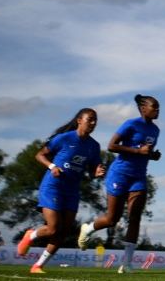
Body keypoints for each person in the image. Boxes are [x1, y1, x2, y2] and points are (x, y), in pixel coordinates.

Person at [78, 94, 161, 274]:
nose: (157, 110)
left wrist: (152, 155)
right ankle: (88, 228)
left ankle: (127, 263)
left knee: (135, 217)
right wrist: (138, 151)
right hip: (119, 174)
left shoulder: (155, 130)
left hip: (138, 177)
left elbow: (146, 151)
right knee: (112, 219)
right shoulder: (130, 124)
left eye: (158, 108)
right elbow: (112, 146)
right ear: (143, 108)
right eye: (154, 107)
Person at [17, 108, 105, 274]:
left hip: (72, 191)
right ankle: (31, 235)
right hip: (53, 187)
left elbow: (94, 169)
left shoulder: (94, 146)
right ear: (80, 120)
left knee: (63, 232)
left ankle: (37, 266)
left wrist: (98, 172)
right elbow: (40, 155)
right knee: (52, 228)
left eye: (95, 121)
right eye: (90, 119)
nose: (93, 123)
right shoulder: (64, 138)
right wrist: (52, 166)